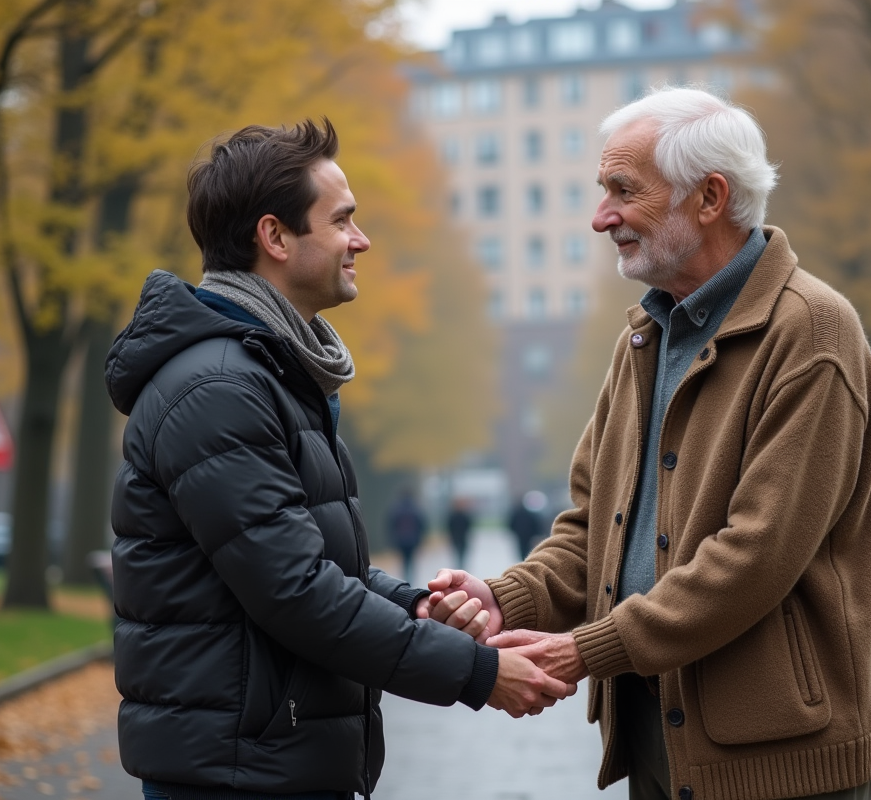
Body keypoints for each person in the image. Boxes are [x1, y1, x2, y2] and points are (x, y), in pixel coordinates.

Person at [424, 88, 871, 800]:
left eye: (623, 190)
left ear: (710, 198)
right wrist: (504, 597)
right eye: (602, 190)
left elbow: (755, 557)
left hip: (778, 755)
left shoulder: (812, 333)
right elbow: (592, 530)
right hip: (661, 736)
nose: (599, 217)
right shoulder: (644, 337)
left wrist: (585, 649)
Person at [106, 118, 575, 800]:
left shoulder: (269, 372)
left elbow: (311, 564)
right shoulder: (220, 387)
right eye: (343, 221)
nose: (362, 240)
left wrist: (418, 607)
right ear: (275, 237)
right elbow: (296, 592)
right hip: (237, 776)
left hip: (265, 762)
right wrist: (474, 672)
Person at [387, 489, 426, 580]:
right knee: (411, 560)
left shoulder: (397, 508)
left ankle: (405, 578)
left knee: (404, 560)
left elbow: (392, 524)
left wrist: (392, 538)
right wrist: (420, 539)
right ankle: (410, 578)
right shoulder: (415, 508)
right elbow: (421, 524)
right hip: (413, 540)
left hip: (401, 540)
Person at [507, 493, 544, 560]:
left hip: (520, 535)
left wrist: (515, 532)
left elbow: (511, 524)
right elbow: (535, 524)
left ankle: (523, 560)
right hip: (529, 536)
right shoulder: (530, 513)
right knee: (528, 550)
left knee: (522, 550)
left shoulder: (516, 513)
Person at [445, 498, 473, 568]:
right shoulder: (456, 515)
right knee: (459, 554)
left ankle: (460, 566)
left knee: (460, 554)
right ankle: (460, 566)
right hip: (458, 538)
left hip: (460, 538)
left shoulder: (458, 515)